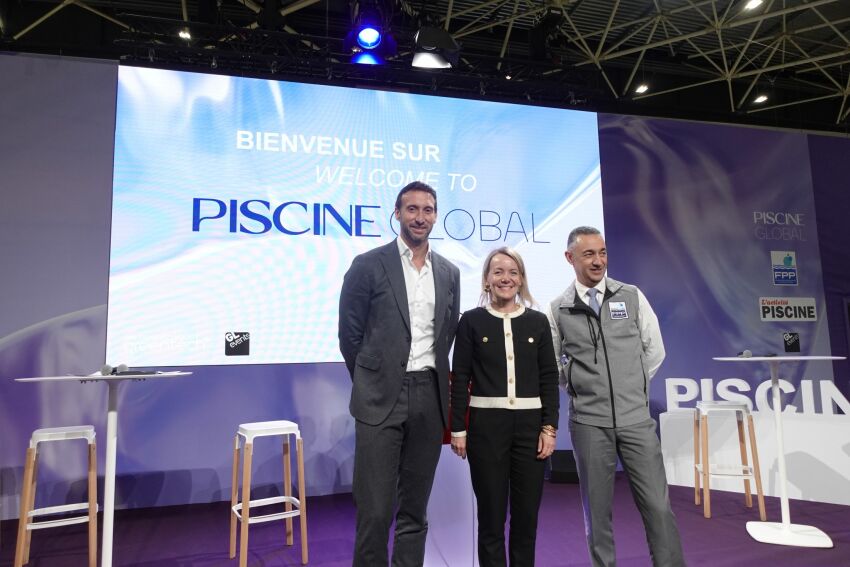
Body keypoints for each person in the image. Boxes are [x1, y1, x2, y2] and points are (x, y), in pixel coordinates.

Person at [338, 181, 461, 567]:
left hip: (430, 396)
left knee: (414, 511)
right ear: (397, 214)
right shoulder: (367, 265)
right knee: (375, 510)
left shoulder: (449, 272)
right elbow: (349, 334)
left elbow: (448, 332)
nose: (419, 217)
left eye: (427, 210)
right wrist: (372, 378)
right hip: (380, 397)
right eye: (412, 209)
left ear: (436, 216)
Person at [547, 226, 685, 567]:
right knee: (597, 512)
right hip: (589, 424)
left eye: (602, 252)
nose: (598, 261)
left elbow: (654, 350)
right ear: (570, 258)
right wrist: (580, 385)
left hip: (636, 420)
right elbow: (552, 364)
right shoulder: (559, 308)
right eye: (589, 254)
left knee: (657, 505)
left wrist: (631, 385)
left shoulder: (631, 295)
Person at [450, 247, 559, 567]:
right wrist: (459, 427)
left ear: (521, 279)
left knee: (526, 520)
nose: (505, 278)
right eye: (497, 272)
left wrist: (549, 428)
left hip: (530, 430)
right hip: (486, 430)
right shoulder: (470, 321)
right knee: (491, 520)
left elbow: (549, 378)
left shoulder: (538, 323)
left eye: (512, 272)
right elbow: (460, 379)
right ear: (486, 280)